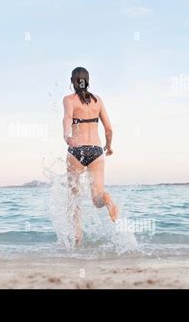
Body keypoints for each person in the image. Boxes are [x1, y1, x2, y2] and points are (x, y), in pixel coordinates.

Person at [62, 66, 120, 245]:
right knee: (97, 197)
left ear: (72, 81)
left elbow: (67, 118)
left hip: (76, 150)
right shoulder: (98, 101)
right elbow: (109, 128)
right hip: (96, 150)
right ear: (87, 81)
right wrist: (108, 146)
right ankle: (107, 200)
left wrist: (67, 137)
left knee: (74, 197)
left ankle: (77, 238)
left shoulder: (69, 100)